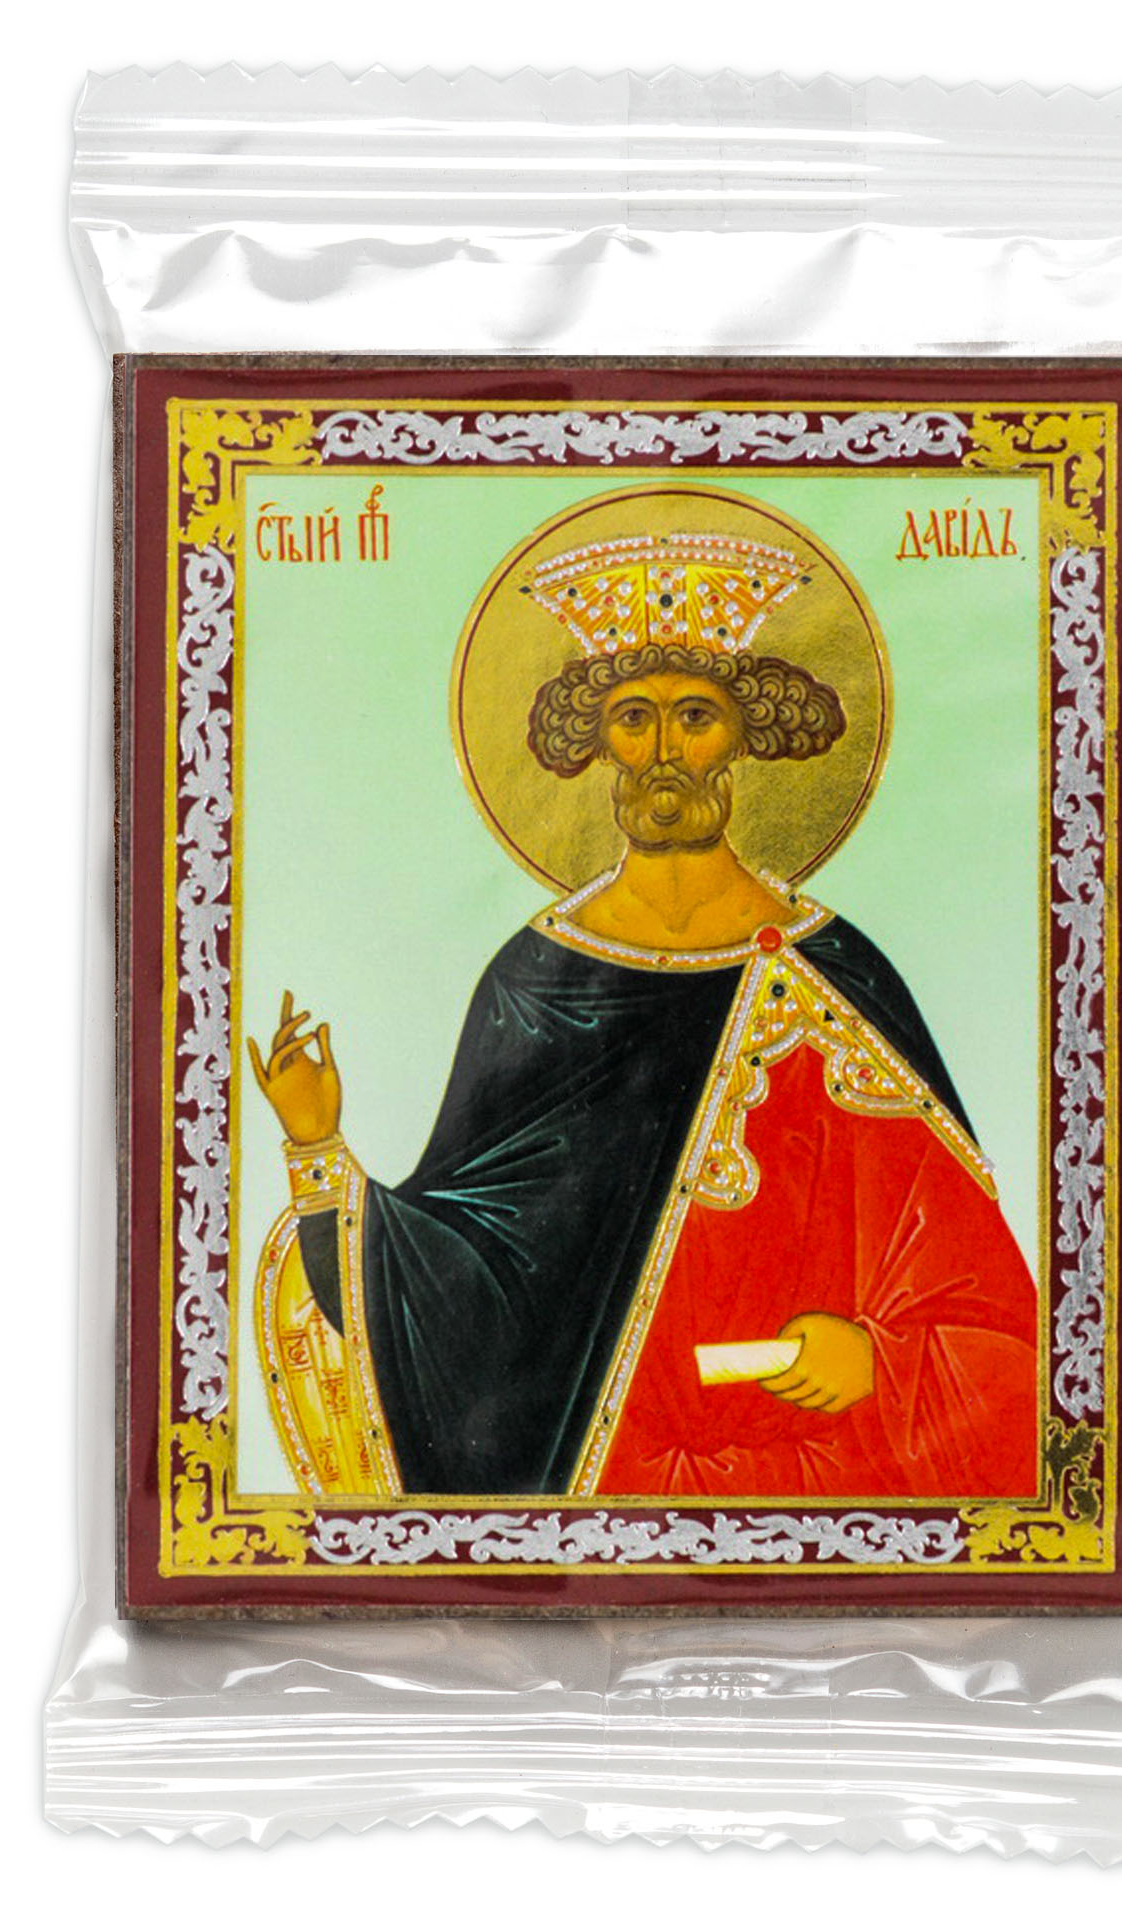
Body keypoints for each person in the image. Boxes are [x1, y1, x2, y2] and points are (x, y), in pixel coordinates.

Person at [250, 533, 1037, 1500]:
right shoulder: (534, 980)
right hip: (601, 1479)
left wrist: (879, 1357)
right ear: (598, 742)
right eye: (634, 718)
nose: (664, 751)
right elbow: (456, 1281)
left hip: (807, 1470)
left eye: (696, 716)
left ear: (745, 734)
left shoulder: (830, 980)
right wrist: (317, 1147)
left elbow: (989, 1321)